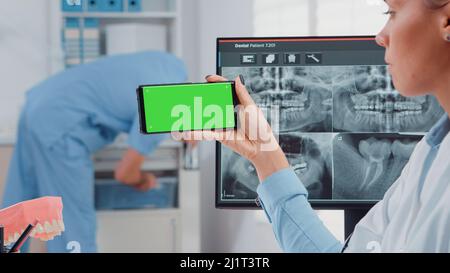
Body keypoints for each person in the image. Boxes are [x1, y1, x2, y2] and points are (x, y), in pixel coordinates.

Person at [183, 0, 450, 252]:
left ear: (447, 20)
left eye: (391, 12)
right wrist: (263, 154)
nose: (380, 36)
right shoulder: (430, 155)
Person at [2, 51, 187, 252]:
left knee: (18, 204)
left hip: (39, 102)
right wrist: (145, 180)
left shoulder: (173, 66)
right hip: (62, 125)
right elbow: (125, 174)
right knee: (72, 227)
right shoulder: (166, 106)